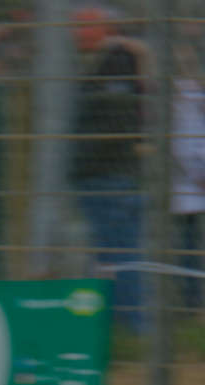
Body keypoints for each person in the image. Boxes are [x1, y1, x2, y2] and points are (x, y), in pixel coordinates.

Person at [69, 5, 150, 331]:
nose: (76, 33)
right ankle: (114, 324)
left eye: (84, 25)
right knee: (111, 253)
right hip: (103, 173)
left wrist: (86, 156)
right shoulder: (102, 62)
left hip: (109, 174)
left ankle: (132, 325)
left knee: (120, 253)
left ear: (105, 28)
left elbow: (119, 116)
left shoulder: (116, 60)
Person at [174, 66, 205, 315]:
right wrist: (199, 176)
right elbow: (185, 144)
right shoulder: (185, 97)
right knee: (188, 245)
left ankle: (192, 300)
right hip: (189, 190)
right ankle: (192, 302)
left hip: (192, 188)